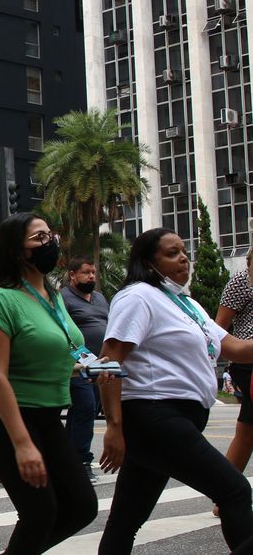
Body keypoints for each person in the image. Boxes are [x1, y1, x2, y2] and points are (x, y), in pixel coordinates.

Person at [97, 228, 253, 553]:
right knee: (234, 491)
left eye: (184, 251)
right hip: (156, 416)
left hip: (174, 419)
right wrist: (114, 426)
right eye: (171, 253)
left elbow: (236, 349)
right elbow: (108, 362)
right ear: (147, 261)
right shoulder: (137, 296)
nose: (183, 258)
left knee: (126, 520)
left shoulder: (187, 304)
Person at [0, 213, 99, 554]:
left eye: (50, 235)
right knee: (40, 511)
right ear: (16, 251)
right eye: (39, 238)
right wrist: (22, 444)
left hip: (46, 410)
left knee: (82, 506)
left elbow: (57, 350)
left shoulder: (51, 296)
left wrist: (88, 369)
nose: (50, 242)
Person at [61, 255, 110, 483]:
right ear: (72, 275)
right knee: (85, 407)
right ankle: (81, 461)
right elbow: (66, 334)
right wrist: (89, 361)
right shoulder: (64, 298)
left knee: (88, 411)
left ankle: (68, 460)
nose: (91, 276)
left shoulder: (99, 298)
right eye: (86, 272)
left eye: (93, 272)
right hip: (78, 365)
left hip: (104, 362)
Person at [217, 250, 253, 503]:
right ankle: (225, 495)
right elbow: (219, 326)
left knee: (248, 429)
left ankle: (225, 495)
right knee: (247, 428)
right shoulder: (241, 281)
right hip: (247, 362)